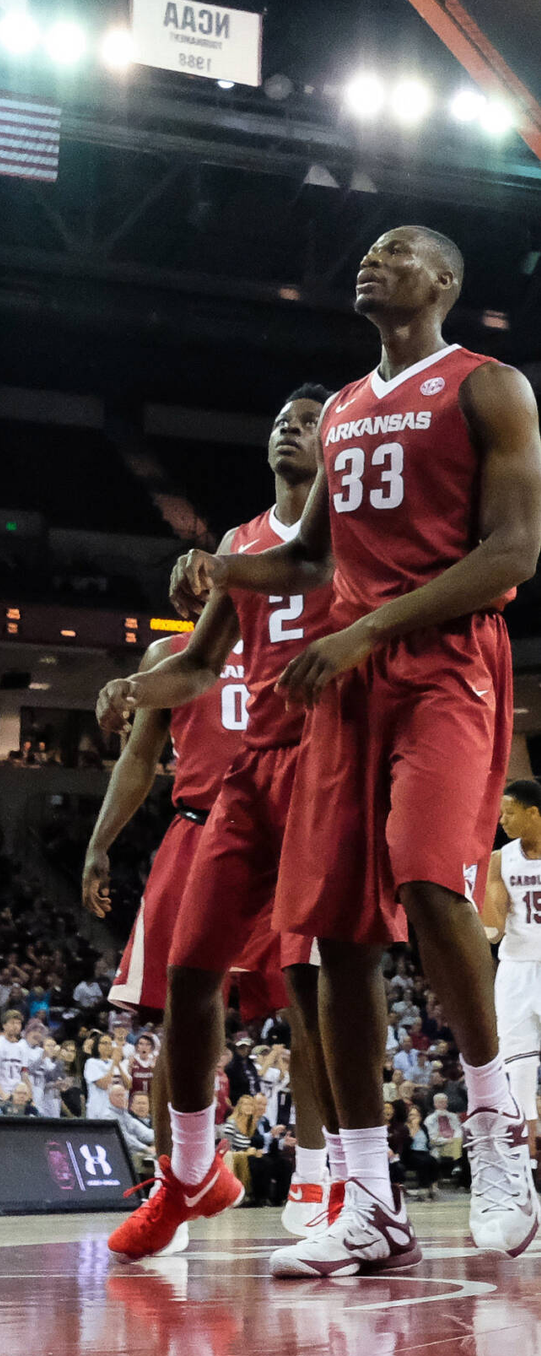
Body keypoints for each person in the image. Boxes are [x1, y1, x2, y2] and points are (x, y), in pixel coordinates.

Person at [175, 228, 541, 1274]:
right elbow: (310, 558)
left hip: (445, 663)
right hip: (351, 678)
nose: (374, 262)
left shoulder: (489, 387)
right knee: (335, 934)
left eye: (400, 252)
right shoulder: (339, 409)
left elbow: (514, 552)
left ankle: (493, 1129)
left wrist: (369, 628)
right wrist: (223, 571)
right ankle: (368, 1200)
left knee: (432, 881)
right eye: (370, 253)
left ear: (446, 283)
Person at [99, 389, 341, 1262]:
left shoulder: (351, 532)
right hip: (248, 780)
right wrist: (135, 689)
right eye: (278, 416)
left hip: (331, 773)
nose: (287, 425)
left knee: (315, 995)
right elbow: (198, 666)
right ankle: (188, 1176)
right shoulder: (237, 543)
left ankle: (325, 1178)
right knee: (187, 975)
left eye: (309, 419)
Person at [84, 618, 248, 1157]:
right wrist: (99, 843)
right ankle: (170, 1174)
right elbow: (137, 757)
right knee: (182, 1014)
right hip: (200, 828)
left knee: (314, 998)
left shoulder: (290, 632)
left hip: (286, 828)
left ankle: (324, 1180)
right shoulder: (168, 653)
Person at [484, 778, 541, 1157]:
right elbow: (492, 932)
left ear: (533, 813)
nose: (502, 820)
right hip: (518, 968)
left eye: (509, 812)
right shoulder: (500, 860)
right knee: (517, 1066)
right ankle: (525, 1153)